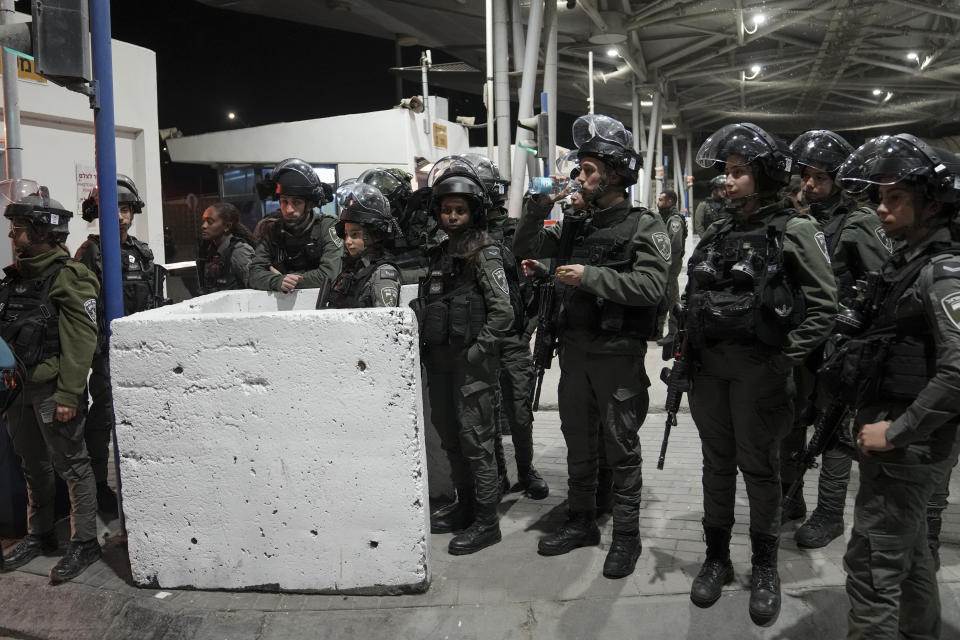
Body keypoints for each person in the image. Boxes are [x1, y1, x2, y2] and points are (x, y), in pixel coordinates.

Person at [684, 123, 837, 625]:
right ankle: (716, 557)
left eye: (738, 173)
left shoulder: (796, 229)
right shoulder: (719, 229)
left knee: (761, 470)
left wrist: (786, 356)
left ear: (765, 176)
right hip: (710, 370)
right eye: (726, 173)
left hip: (761, 373)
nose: (726, 182)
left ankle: (765, 568)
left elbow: (823, 305)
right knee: (715, 465)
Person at [513, 114, 669, 579]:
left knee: (620, 447)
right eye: (579, 168)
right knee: (577, 441)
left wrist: (591, 278)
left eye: (589, 169)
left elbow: (652, 287)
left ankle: (626, 536)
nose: (579, 176)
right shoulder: (576, 226)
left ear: (616, 173)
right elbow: (524, 245)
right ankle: (581, 520)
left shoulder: (644, 225)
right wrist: (539, 207)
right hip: (575, 351)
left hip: (617, 355)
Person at [831, 134, 960, 637]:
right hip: (902, 440)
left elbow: (958, 371)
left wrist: (897, 431)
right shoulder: (908, 263)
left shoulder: (943, 274)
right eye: (880, 198)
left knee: (870, 569)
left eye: (896, 198)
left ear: (933, 202)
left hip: (910, 447)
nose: (882, 209)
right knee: (909, 556)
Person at [780, 130, 894, 546]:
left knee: (834, 432)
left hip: (837, 347)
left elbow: (887, 280)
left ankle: (828, 514)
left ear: (840, 181)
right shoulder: (799, 221)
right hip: (801, 340)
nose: (809, 185)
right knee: (789, 423)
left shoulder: (859, 222)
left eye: (820, 178)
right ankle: (789, 499)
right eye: (806, 177)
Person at [0, 180, 102, 583]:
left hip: (52, 392)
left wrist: (69, 394)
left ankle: (85, 542)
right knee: (32, 467)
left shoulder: (70, 277)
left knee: (73, 467)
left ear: (42, 231)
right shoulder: (15, 279)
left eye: (19, 227)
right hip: (18, 393)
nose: (13, 234)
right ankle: (39, 533)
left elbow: (82, 341)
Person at [413, 156, 514, 555]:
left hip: (471, 365)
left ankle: (487, 521)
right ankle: (466, 505)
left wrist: (478, 351)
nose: (452, 216)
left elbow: (503, 312)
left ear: (473, 212)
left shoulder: (484, 252)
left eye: (460, 210)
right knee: (451, 439)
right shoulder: (439, 252)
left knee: (477, 442)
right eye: (446, 210)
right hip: (440, 363)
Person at [460, 153, 548, 500]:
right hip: (481, 337)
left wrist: (527, 331)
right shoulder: (462, 239)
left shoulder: (515, 233)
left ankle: (526, 470)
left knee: (519, 411)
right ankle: (496, 475)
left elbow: (541, 284)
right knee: (487, 412)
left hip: (513, 338)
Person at [75, 174, 158, 514]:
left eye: (126, 209)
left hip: (140, 348)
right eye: (114, 210)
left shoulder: (141, 252)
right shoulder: (91, 252)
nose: (121, 217)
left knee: (142, 413)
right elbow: (84, 307)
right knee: (105, 415)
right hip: (105, 350)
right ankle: (98, 484)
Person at [248, 158, 341, 292]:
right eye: (284, 202)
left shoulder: (327, 227)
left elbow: (329, 275)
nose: (289, 209)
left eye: (296, 202)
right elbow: (253, 274)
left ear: (309, 204)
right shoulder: (272, 230)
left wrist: (287, 279)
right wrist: (276, 281)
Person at [325, 181, 401, 308]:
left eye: (355, 235)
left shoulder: (383, 273)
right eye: (346, 234)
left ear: (374, 234)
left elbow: (386, 321)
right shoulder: (354, 269)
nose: (348, 241)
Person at [355, 167, 429, 285]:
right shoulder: (375, 226)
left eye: (389, 208)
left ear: (402, 202)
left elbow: (437, 269)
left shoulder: (426, 220)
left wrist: (389, 276)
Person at [197, 202, 255, 294]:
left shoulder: (239, 251)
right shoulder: (211, 251)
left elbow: (255, 286)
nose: (203, 226)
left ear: (227, 226)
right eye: (203, 221)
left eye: (210, 222)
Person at [655, 190, 688, 346]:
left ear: (670, 202)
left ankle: (674, 332)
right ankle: (658, 331)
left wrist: (665, 264)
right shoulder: (664, 217)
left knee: (672, 298)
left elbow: (674, 246)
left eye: (661, 200)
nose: (658, 202)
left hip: (670, 265)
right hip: (663, 264)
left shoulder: (674, 220)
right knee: (662, 297)